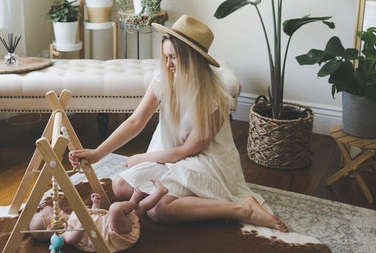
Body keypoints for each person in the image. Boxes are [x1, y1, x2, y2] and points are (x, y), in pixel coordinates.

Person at [69, 14, 287, 232]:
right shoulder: (163, 78)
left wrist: (142, 157)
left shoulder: (213, 95)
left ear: (191, 58)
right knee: (121, 185)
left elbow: (187, 150)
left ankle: (240, 209)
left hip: (204, 160)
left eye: (173, 57)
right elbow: (136, 121)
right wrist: (98, 153)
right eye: (166, 57)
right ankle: (181, 198)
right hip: (170, 154)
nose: (168, 64)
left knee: (158, 210)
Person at [28, 181, 169, 253]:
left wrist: (96, 205)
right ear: (53, 226)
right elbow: (72, 240)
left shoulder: (72, 217)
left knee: (140, 209)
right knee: (115, 208)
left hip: (116, 225)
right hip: (117, 235)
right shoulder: (66, 232)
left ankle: (160, 192)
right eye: (55, 213)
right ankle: (133, 202)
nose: (59, 211)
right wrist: (82, 222)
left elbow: (94, 217)